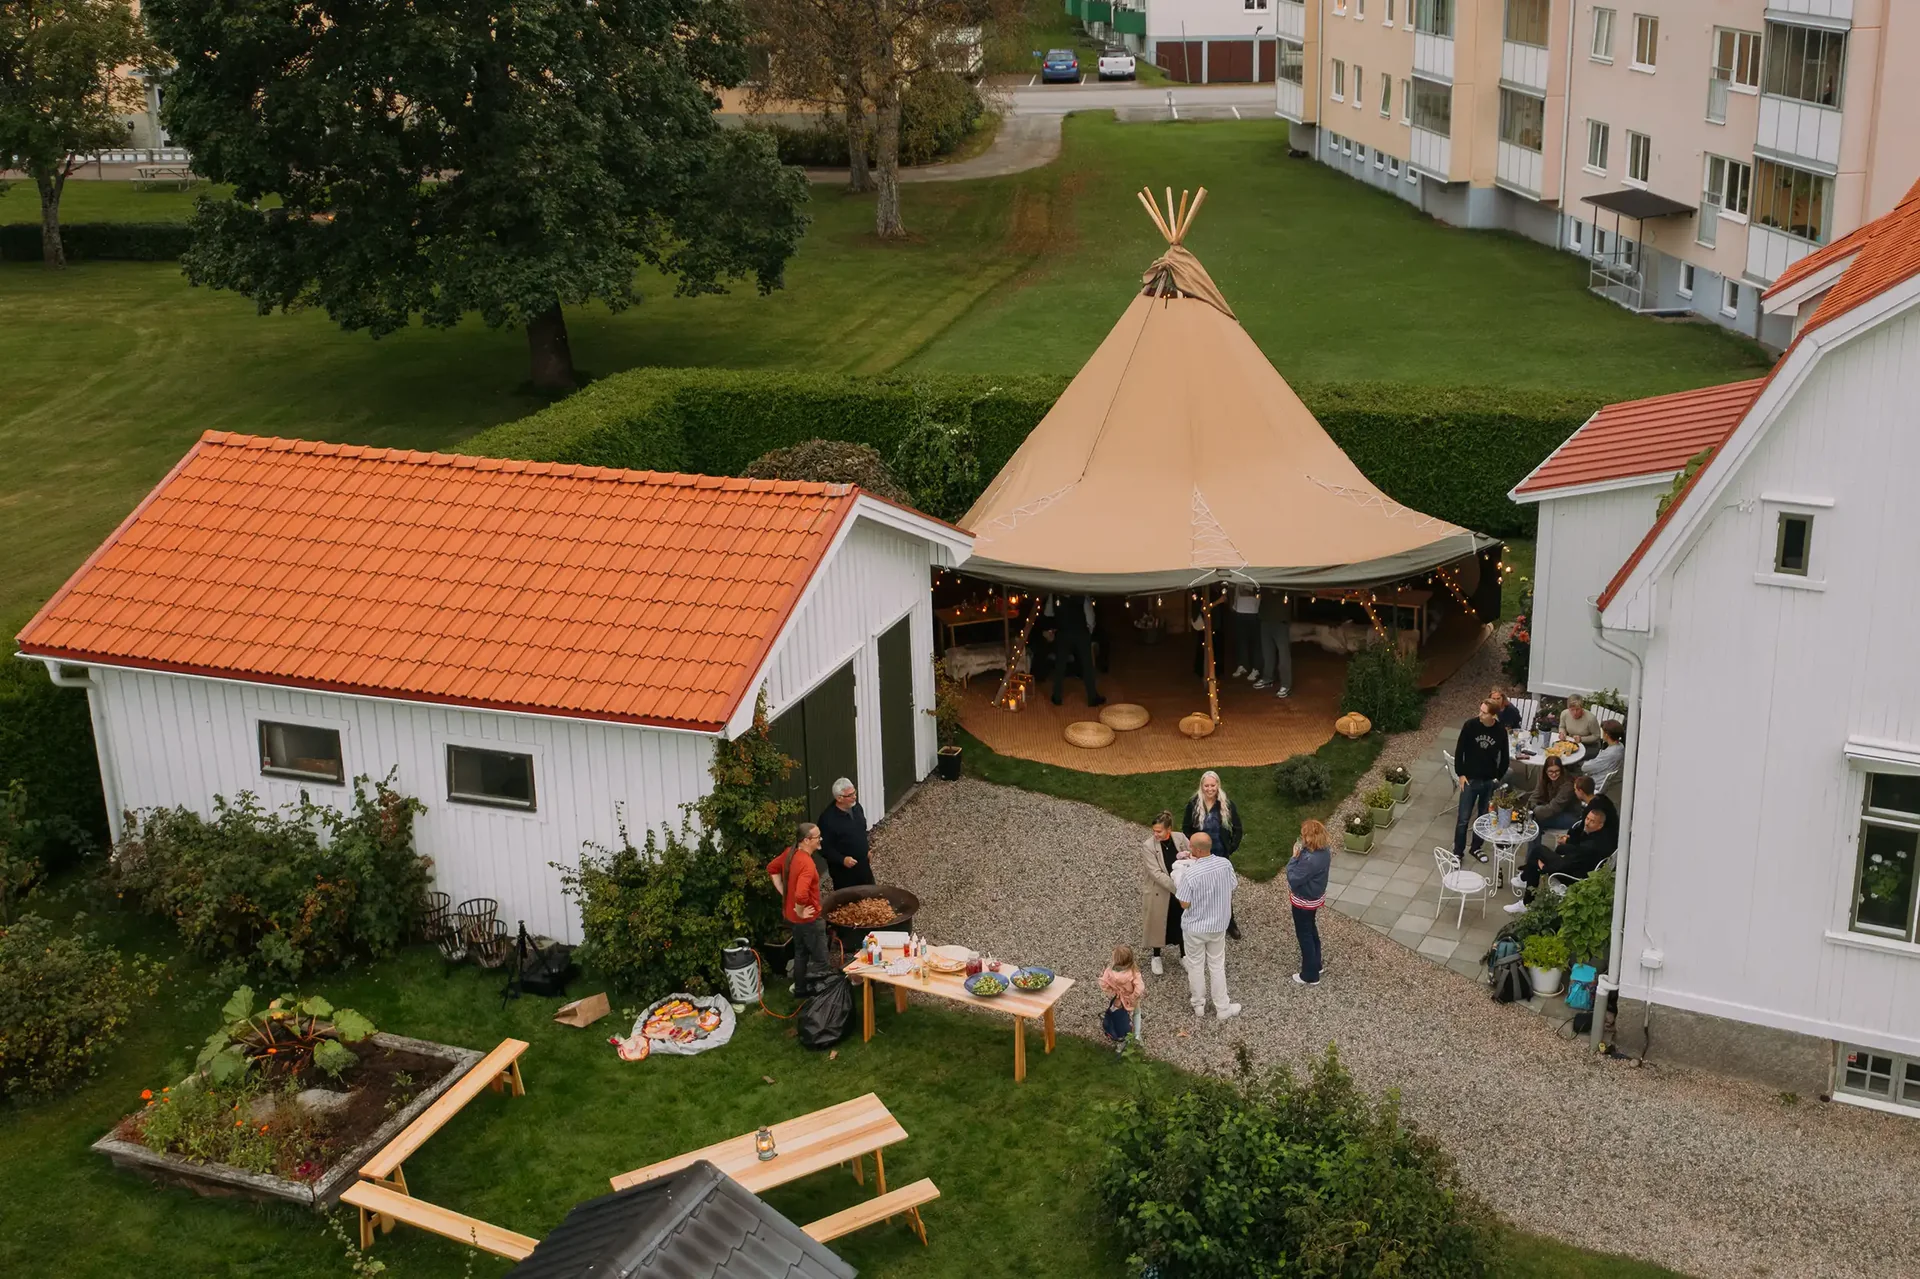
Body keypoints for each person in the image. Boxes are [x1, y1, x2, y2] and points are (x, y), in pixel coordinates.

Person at [1171, 833, 1239, 1021]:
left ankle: (1198, 1004)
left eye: (1191, 846)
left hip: (1195, 927)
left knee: (1195, 966)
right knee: (1217, 965)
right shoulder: (1225, 864)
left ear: (1198, 850)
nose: (1189, 848)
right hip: (1218, 925)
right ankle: (1222, 1007)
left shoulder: (1190, 873)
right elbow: (1232, 885)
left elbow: (1184, 903)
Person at [1509, 793, 1617, 909]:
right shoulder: (1599, 836)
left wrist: (1545, 868)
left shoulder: (1590, 846)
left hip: (1574, 876)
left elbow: (1566, 865)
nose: (1587, 823)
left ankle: (1526, 897)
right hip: (1578, 865)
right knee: (1543, 856)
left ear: (1600, 825)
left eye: (1592, 821)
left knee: (1538, 852)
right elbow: (1575, 851)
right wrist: (1568, 842)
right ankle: (1525, 884)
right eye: (1587, 819)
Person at [767, 822, 828, 995]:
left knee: (800, 953)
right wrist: (800, 910)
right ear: (807, 840)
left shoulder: (790, 853)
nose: (820, 840)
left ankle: (800, 989)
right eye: (818, 837)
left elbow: (772, 868)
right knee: (821, 960)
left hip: (794, 919)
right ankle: (821, 996)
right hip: (809, 919)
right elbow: (801, 895)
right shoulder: (807, 864)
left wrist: (785, 893)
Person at [1182, 771, 1244, 939]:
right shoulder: (1193, 804)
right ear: (1202, 786)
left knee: (1224, 890)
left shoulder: (1226, 804)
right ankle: (1205, 919)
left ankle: (1229, 921)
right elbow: (1186, 828)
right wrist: (1195, 846)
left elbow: (1238, 829)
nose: (1210, 789)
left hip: (1220, 855)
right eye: (1206, 785)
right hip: (1200, 857)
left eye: (1213, 785)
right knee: (1202, 889)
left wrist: (1230, 847)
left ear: (1218, 785)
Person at [1453, 701, 1511, 863]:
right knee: (1463, 819)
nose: (1480, 714)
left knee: (1483, 818)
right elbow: (1459, 750)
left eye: (1484, 713)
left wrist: (1497, 777)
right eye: (1480, 710)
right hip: (1470, 780)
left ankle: (1476, 847)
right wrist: (1461, 774)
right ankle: (1458, 852)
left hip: (1488, 781)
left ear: (1493, 715)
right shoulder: (1470, 726)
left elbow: (1505, 757)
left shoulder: (1500, 731)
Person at [1140, 811, 1190, 975]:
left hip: (1180, 892)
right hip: (1160, 892)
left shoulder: (1180, 838)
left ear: (1169, 829)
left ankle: (1184, 954)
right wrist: (1178, 889)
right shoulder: (1148, 846)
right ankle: (1156, 956)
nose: (1155, 834)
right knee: (1158, 923)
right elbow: (1156, 873)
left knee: (1182, 922)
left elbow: (1193, 854)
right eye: (1154, 831)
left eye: (1159, 831)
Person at [1286, 820, 1332, 987]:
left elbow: (1293, 877)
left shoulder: (1309, 859)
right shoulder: (1325, 851)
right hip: (1315, 898)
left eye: (1304, 835)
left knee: (1304, 935)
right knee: (1311, 930)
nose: (1302, 838)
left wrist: (1293, 858)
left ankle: (1310, 975)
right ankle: (1316, 964)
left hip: (1303, 901)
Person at [1044, 592, 1103, 707]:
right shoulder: (1082, 593)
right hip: (1080, 632)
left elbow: (1048, 612)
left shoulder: (1054, 593)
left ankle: (1057, 696)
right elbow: (1090, 616)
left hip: (1063, 632)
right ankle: (1092, 697)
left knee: (1060, 664)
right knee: (1087, 664)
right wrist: (1090, 630)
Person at [816, 778, 874, 889]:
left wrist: (867, 849)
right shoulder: (827, 820)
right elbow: (823, 847)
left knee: (871, 895)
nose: (854, 797)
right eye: (850, 795)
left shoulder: (856, 807)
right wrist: (842, 860)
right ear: (839, 798)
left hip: (864, 866)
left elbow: (862, 830)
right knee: (848, 899)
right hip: (844, 873)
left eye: (854, 792)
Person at [1526, 756, 1580, 859]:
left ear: (1561, 770)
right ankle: (1535, 858)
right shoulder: (1544, 777)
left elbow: (1554, 808)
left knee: (1534, 824)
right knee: (1533, 823)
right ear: (1546, 771)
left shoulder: (1567, 785)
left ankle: (1533, 859)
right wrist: (1531, 806)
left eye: (1557, 771)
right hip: (1552, 809)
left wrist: (1535, 811)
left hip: (1570, 816)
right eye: (1550, 771)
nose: (1554, 774)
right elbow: (1536, 795)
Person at [1099, 945, 1147, 1049]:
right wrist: (1133, 997)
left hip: (1119, 998)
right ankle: (1137, 1035)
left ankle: (1123, 1039)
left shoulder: (1110, 971)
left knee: (1121, 1018)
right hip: (1131, 998)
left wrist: (1114, 991)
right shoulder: (1133, 972)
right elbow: (1140, 988)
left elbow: (1103, 983)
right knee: (1137, 1013)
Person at [1252, 590, 1293, 697]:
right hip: (1265, 620)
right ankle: (1267, 678)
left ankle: (1286, 684)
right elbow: (1256, 590)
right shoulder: (1264, 585)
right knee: (1267, 653)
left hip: (1281, 621)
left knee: (1284, 655)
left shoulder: (1286, 586)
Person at [1229, 583, 1261, 678]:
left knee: (1255, 643)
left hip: (1253, 612)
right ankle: (1242, 665)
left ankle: (1256, 668)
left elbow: (1250, 592)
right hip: (1239, 610)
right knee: (1241, 641)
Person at [1584, 719, 1625, 787]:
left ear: (1606, 735)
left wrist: (1583, 763)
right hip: (1605, 776)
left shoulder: (1609, 754)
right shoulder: (1621, 746)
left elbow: (1586, 768)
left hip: (1596, 782)